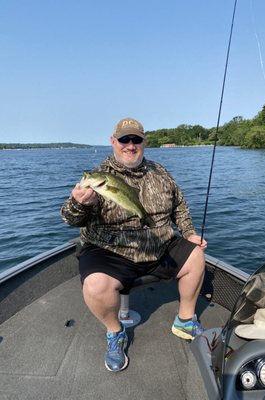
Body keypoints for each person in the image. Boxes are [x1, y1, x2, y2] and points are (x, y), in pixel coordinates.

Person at [61, 117, 207, 373]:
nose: (130, 145)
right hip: (110, 250)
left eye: (136, 139)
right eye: (124, 139)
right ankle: (115, 332)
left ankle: (185, 321)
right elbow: (69, 219)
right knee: (95, 285)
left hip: (159, 245)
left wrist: (189, 233)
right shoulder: (98, 176)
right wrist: (79, 204)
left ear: (144, 142)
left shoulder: (160, 172)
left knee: (195, 255)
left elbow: (180, 206)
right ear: (113, 141)